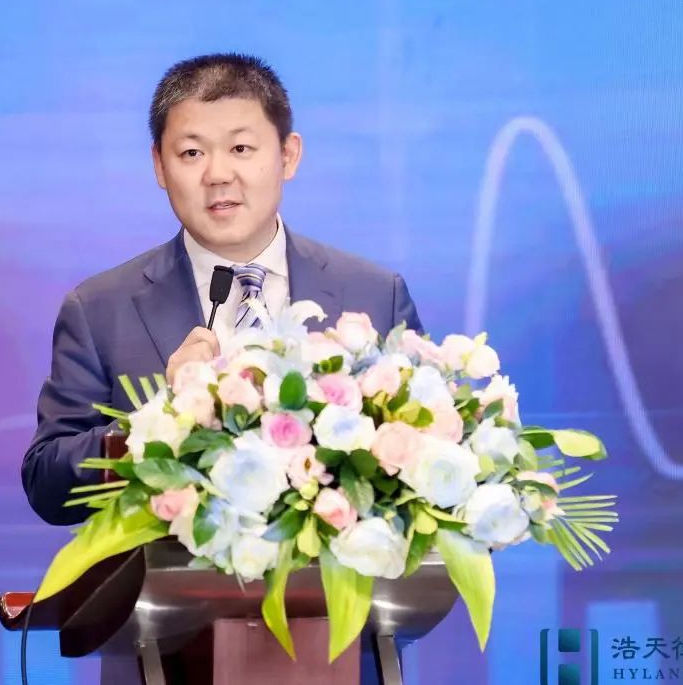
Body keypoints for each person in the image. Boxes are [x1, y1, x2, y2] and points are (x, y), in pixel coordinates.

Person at [22, 53, 423, 525]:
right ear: (159, 165)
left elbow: (429, 458)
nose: (217, 175)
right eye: (192, 153)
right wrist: (161, 420)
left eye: (241, 148)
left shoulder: (375, 296)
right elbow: (47, 485)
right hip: (168, 569)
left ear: (288, 155)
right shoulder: (99, 310)